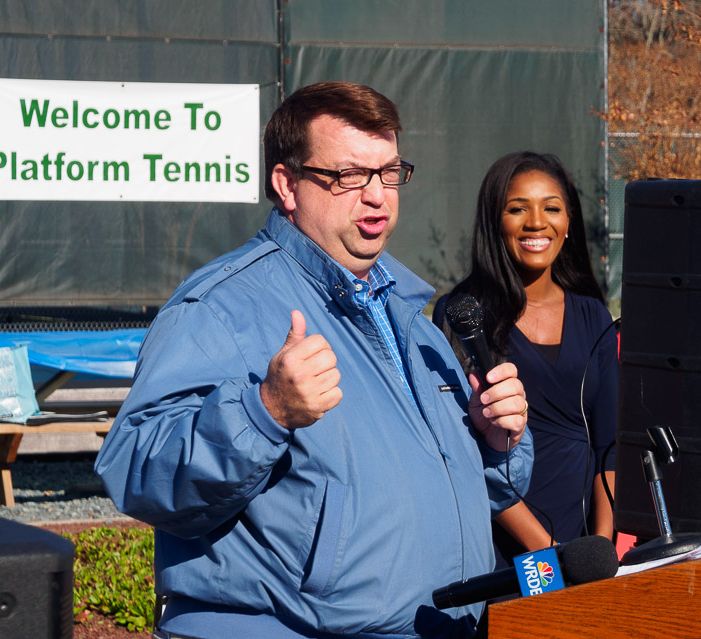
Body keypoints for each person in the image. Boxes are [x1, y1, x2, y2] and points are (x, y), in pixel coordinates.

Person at [94, 81, 533, 639]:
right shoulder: (222, 306)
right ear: (287, 184)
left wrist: (496, 444)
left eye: (389, 172)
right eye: (349, 175)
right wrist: (263, 413)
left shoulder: (409, 317)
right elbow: (135, 469)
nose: (377, 195)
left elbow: (470, 493)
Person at [434, 151, 617, 570]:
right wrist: (547, 551)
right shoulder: (462, 313)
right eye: (518, 209)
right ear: (495, 222)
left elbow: (610, 447)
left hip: (581, 547)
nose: (537, 222)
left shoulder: (594, 315)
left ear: (568, 222)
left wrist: (597, 551)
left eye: (552, 208)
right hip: (501, 547)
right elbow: (465, 453)